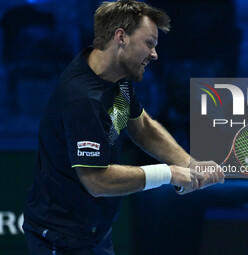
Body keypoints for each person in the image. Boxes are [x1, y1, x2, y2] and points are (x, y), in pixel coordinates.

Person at [23, 1, 225, 254]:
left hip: (95, 231)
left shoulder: (116, 76)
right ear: (121, 37)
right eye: (149, 43)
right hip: (61, 238)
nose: (154, 54)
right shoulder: (83, 99)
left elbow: (141, 126)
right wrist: (168, 174)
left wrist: (188, 163)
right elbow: (97, 181)